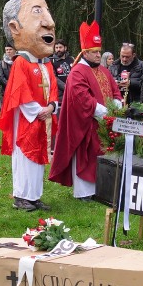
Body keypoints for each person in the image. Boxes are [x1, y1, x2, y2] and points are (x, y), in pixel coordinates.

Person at [0, 0, 58, 212]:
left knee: (39, 157)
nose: (50, 22)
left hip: (43, 118)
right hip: (27, 119)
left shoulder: (46, 64)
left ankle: (35, 195)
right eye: (37, 12)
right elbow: (19, 93)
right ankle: (21, 196)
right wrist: (38, 111)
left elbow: (53, 89)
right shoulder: (21, 63)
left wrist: (51, 107)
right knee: (25, 158)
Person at [49, 21, 119, 200]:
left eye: (99, 51)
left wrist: (117, 105)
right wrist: (106, 113)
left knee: (103, 154)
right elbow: (82, 99)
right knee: (86, 154)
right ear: (85, 52)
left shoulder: (104, 71)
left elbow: (115, 90)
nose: (98, 55)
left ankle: (101, 188)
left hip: (106, 122)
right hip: (86, 122)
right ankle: (84, 191)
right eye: (94, 52)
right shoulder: (78, 72)